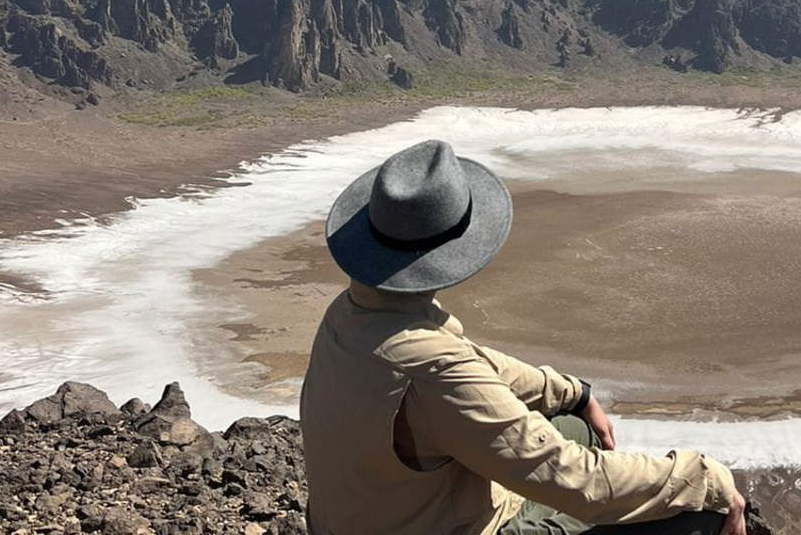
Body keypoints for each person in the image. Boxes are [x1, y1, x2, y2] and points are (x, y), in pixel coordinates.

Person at [300, 140, 747, 535]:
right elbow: (575, 481)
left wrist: (572, 394)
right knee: (700, 518)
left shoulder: (350, 314)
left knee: (577, 427)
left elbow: (469, 360)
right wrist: (705, 478)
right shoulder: (432, 371)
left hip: (375, 516)